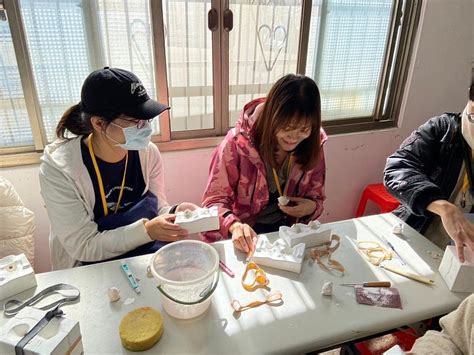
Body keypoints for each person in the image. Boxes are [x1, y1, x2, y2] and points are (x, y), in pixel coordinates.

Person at [40, 67, 197, 270]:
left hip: (143, 257)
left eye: (147, 118)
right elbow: (84, 246)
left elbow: (157, 208)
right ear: (98, 123)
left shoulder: (147, 153)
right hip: (90, 266)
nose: (146, 127)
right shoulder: (59, 170)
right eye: (135, 121)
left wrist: (176, 213)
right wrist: (147, 231)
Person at [202, 74, 327, 254]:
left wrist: (311, 208)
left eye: (304, 130)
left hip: (289, 235)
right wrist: (234, 225)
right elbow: (213, 201)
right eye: (287, 128)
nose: (294, 137)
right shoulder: (237, 144)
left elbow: (317, 197)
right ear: (272, 117)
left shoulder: (312, 144)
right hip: (243, 236)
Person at [384, 82, 474, 262]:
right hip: (419, 236)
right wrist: (443, 207)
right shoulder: (443, 130)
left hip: (464, 256)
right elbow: (397, 168)